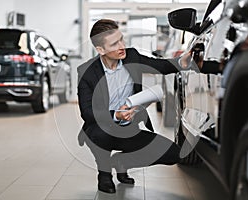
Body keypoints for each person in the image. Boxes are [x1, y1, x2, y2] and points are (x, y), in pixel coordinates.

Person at [77, 19, 189, 194]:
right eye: (115, 44)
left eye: (121, 39)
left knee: (174, 154)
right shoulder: (87, 72)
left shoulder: (131, 56)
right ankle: (104, 174)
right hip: (101, 128)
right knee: (102, 134)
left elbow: (160, 65)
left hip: (127, 128)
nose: (122, 45)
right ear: (101, 50)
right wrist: (116, 115)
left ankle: (122, 162)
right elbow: (88, 112)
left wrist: (181, 62)